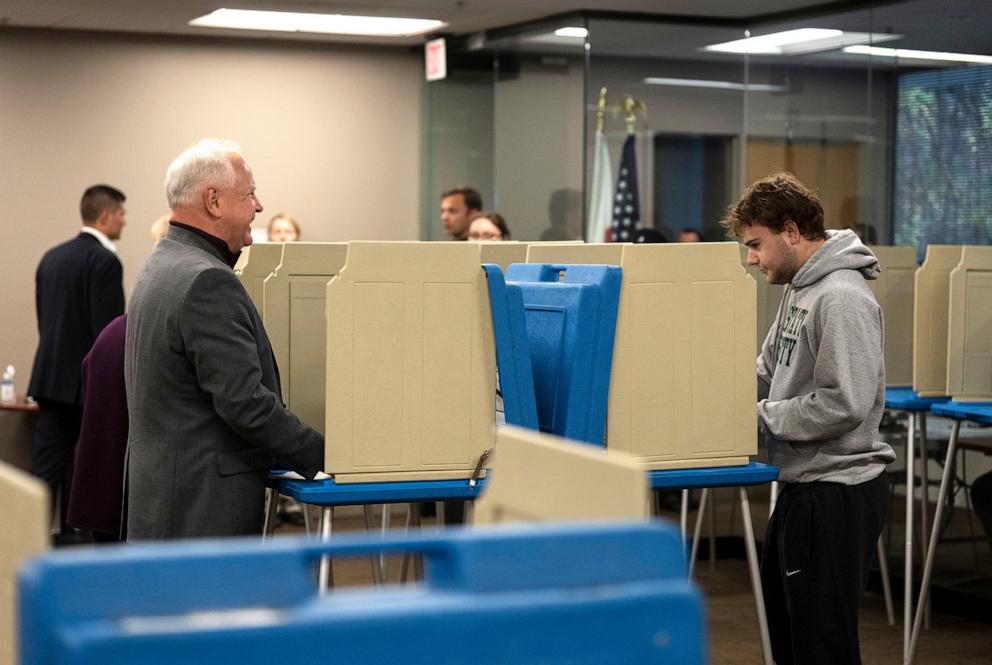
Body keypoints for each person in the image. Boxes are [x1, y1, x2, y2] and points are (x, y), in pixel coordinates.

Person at [721, 172, 895, 665]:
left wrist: (762, 417)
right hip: (804, 487)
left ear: (792, 231)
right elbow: (766, 370)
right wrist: (713, 410)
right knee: (791, 641)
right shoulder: (799, 287)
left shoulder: (841, 296)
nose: (751, 259)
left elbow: (846, 401)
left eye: (756, 244)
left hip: (837, 491)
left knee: (822, 648)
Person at [124, 139, 323, 540]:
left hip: (165, 498)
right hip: (202, 508)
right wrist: (328, 454)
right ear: (213, 200)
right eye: (249, 194)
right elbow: (245, 402)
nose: (259, 206)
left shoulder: (161, 264)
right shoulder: (207, 280)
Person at [28, 184, 127, 538]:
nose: (124, 221)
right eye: (121, 214)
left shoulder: (51, 258)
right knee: (87, 469)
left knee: (47, 467)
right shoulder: (105, 261)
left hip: (49, 379)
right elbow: (108, 335)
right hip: (86, 385)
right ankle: (75, 542)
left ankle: (27, 541)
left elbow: (45, 321)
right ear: (105, 215)